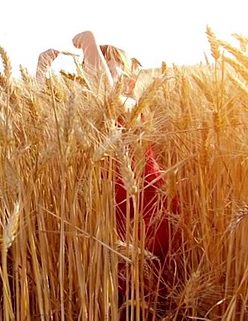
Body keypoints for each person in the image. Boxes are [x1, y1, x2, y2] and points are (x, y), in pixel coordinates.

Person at [36, 31, 181, 298]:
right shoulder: (89, 108)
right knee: (118, 286)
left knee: (149, 281)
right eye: (95, 67)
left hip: (146, 201)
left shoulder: (132, 104)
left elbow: (106, 92)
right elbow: (46, 114)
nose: (99, 74)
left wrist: (89, 41)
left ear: (129, 81)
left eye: (110, 68)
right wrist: (42, 71)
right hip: (110, 205)